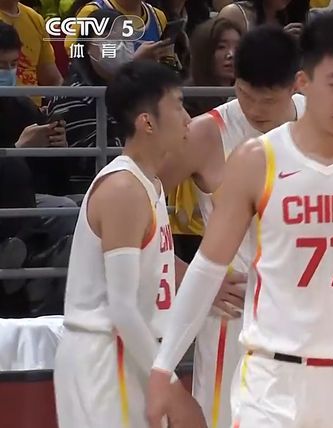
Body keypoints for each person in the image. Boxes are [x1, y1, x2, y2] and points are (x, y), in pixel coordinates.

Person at [147, 14, 333, 428]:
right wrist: (163, 367)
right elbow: (206, 267)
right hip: (271, 371)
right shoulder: (255, 159)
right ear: (305, 82)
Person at [160, 25, 306, 428]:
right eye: (244, 94)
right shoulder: (206, 133)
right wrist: (182, 272)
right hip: (235, 312)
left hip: (307, 309)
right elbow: (133, 201)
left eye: (268, 99)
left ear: (297, 84)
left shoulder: (322, 122)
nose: (254, 109)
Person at [52, 60, 203, 428]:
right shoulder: (124, 189)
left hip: (131, 351)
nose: (188, 118)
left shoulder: (150, 183)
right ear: (147, 122)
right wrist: (170, 386)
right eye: (178, 105)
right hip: (106, 358)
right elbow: (121, 308)